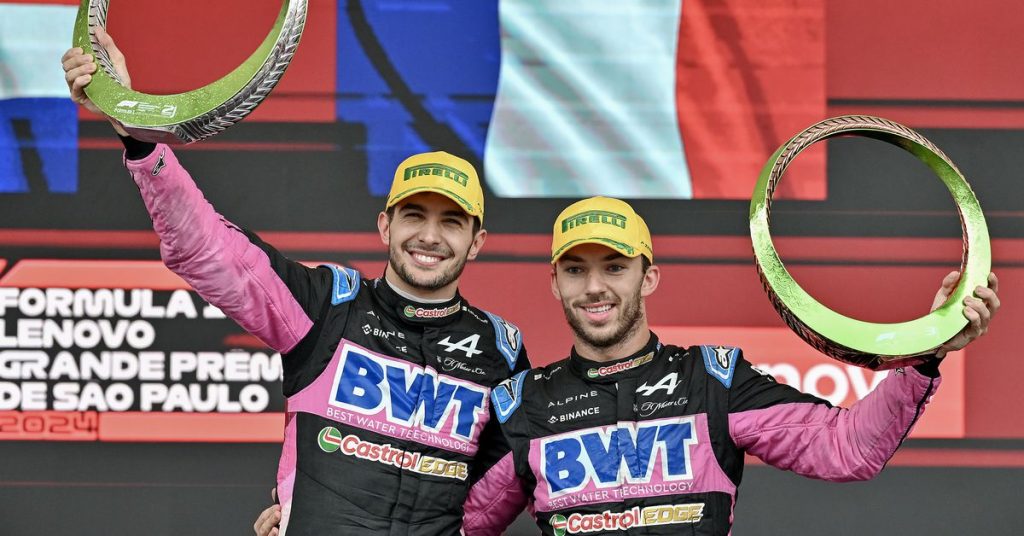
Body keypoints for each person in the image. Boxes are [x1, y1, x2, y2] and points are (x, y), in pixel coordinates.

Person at [62, 29, 530, 535]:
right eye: (414, 215)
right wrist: (136, 129)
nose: (430, 236)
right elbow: (210, 249)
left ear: (476, 241)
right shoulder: (328, 307)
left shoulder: (500, 352)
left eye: (452, 222)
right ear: (385, 226)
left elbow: (500, 492)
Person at [458, 196, 999, 535]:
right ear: (555, 284)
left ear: (648, 277)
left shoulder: (712, 379)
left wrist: (926, 352)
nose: (594, 287)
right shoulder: (525, 404)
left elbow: (848, 448)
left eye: (615, 267)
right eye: (575, 270)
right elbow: (461, 523)